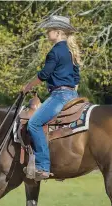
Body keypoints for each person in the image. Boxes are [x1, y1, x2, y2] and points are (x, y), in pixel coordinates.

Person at [21, 15, 81, 181]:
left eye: (49, 30)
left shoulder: (55, 51)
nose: (47, 33)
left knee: (33, 124)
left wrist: (28, 87)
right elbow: (76, 78)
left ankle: (43, 166)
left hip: (59, 96)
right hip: (73, 95)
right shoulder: (70, 52)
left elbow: (44, 74)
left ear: (58, 32)